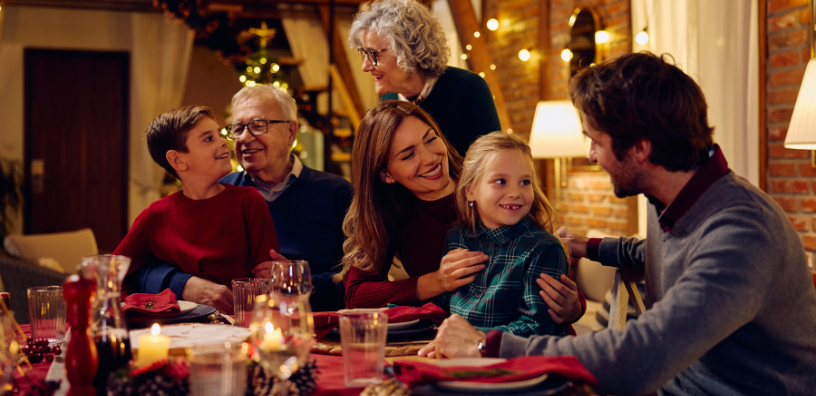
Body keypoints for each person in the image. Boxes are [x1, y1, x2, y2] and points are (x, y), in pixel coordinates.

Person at [419, 53, 816, 395]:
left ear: (640, 147)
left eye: (595, 140)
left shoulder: (743, 233)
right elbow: (656, 252)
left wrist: (488, 347)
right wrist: (588, 247)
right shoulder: (675, 199)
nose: (591, 155)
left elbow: (643, 356)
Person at [339, 100, 584, 329]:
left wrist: (576, 305)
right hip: (461, 343)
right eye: (408, 155)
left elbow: (540, 256)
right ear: (386, 175)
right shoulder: (390, 212)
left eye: (430, 139)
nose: (429, 157)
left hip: (520, 342)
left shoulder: (493, 184)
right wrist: (437, 281)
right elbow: (355, 295)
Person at [131, 87, 352, 313]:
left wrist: (303, 283)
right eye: (237, 128)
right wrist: (185, 284)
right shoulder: (215, 193)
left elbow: (363, 282)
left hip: (315, 324)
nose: (245, 138)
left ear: (291, 132)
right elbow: (136, 270)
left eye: (258, 125)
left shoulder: (337, 193)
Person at [116, 105, 280, 303]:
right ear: (177, 160)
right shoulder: (155, 215)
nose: (223, 141)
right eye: (208, 138)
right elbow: (113, 275)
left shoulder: (249, 201)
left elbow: (267, 280)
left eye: (220, 134)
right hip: (176, 328)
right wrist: (138, 308)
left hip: (236, 325)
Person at [433, 132, 571, 337]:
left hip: (517, 361)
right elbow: (444, 303)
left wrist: (475, 339)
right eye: (500, 181)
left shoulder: (544, 247)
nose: (515, 192)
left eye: (525, 182)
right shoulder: (457, 237)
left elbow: (538, 327)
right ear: (470, 190)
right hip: (460, 356)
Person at [349, 0, 501, 156]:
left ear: (412, 51)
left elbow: (493, 165)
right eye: (365, 54)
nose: (365, 66)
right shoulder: (388, 102)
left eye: (374, 54)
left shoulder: (468, 88)